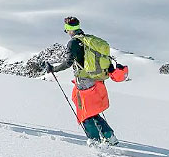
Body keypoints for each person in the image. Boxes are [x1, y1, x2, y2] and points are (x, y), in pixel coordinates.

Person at [46, 16, 123, 145]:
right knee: (92, 110)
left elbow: (68, 62)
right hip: (97, 79)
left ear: (69, 29)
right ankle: (109, 136)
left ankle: (95, 141)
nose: (67, 32)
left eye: (66, 29)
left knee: (84, 112)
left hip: (84, 81)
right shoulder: (88, 40)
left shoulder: (73, 43)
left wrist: (54, 69)